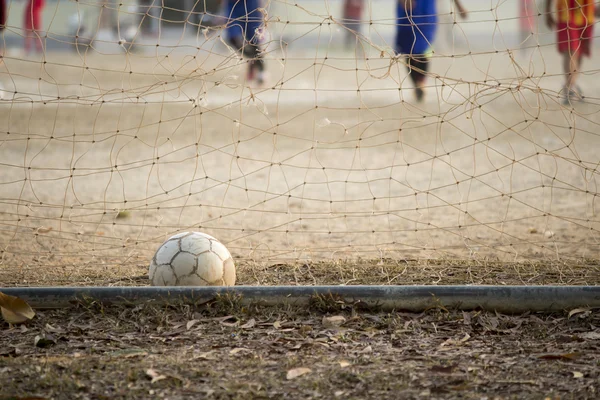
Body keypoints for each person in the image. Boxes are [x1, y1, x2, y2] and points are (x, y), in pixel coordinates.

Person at [395, 0, 467, 102]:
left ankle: (420, 83)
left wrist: (459, 7)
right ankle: (417, 83)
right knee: (408, 47)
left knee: (424, 44)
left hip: (425, 7)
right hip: (407, 9)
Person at [545, 0, 597, 104]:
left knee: (581, 52)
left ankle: (571, 84)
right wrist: (547, 11)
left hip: (587, 12)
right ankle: (569, 87)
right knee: (571, 51)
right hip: (566, 12)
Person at [221, 0, 266, 85]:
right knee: (232, 37)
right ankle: (253, 60)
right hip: (233, 5)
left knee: (254, 39)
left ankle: (261, 71)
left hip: (250, 4)